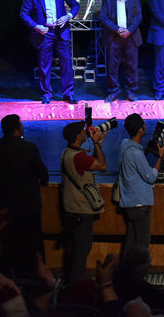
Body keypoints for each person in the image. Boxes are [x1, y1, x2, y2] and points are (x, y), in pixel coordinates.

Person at [0, 114, 49, 279]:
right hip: (28, 204)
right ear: (16, 129)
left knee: (9, 243)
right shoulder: (28, 147)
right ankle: (34, 277)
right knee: (32, 242)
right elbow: (42, 173)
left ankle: (12, 277)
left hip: (6, 203)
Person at [19, 0, 80, 103]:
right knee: (44, 65)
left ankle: (68, 94)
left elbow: (75, 5)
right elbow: (24, 14)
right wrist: (36, 26)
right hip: (44, 33)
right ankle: (46, 94)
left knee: (66, 64)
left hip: (61, 31)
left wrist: (68, 16)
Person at [59, 120, 107, 285]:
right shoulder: (78, 156)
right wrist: (97, 145)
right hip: (81, 209)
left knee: (75, 250)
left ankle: (72, 284)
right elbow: (101, 166)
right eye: (82, 131)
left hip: (71, 208)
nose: (84, 133)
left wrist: (97, 145)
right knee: (81, 250)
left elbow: (89, 163)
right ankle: (76, 287)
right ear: (78, 136)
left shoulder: (68, 153)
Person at [118, 113, 164, 256]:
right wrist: (160, 156)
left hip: (129, 202)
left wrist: (147, 150)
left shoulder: (124, 145)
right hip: (139, 203)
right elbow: (150, 177)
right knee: (142, 242)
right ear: (140, 130)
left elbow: (134, 162)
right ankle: (140, 269)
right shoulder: (136, 153)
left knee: (131, 240)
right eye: (144, 125)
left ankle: (126, 268)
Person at [100, 0, 143, 102]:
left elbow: (138, 16)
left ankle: (131, 92)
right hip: (114, 37)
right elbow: (103, 17)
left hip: (131, 36)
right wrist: (118, 29)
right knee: (112, 67)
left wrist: (129, 30)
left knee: (131, 66)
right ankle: (113, 92)